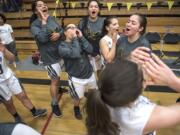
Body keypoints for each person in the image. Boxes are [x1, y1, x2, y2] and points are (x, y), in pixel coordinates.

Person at [85, 59, 180, 135]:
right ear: (143, 85)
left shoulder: (104, 93)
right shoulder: (142, 117)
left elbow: (119, 79)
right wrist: (173, 81)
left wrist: (129, 64)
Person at [30, 0, 63, 117]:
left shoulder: (52, 18)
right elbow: (43, 39)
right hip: (49, 57)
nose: (44, 6)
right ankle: (54, 104)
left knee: (58, 78)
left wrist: (59, 34)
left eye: (44, 4)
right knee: (54, 80)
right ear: (35, 11)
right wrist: (43, 21)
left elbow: (61, 30)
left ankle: (58, 90)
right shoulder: (34, 25)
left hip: (60, 53)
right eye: (40, 6)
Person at [0, 40, 47, 121]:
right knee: (8, 103)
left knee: (22, 95)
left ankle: (34, 112)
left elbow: (11, 59)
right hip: (1, 84)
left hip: (10, 76)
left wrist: (4, 50)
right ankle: (17, 118)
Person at [58, 24, 97, 120]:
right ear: (65, 32)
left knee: (93, 92)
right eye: (71, 28)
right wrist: (75, 38)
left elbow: (91, 50)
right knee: (78, 98)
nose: (74, 29)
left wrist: (82, 37)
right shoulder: (62, 46)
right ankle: (76, 108)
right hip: (76, 77)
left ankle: (92, 106)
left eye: (75, 27)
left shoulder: (79, 41)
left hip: (89, 73)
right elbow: (75, 54)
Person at [78, 0, 104, 75]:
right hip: (86, 54)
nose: (93, 8)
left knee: (101, 76)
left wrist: (102, 53)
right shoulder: (82, 22)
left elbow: (106, 38)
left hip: (99, 54)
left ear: (98, 10)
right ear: (88, 9)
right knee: (89, 78)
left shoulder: (104, 21)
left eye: (96, 7)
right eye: (91, 6)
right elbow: (79, 39)